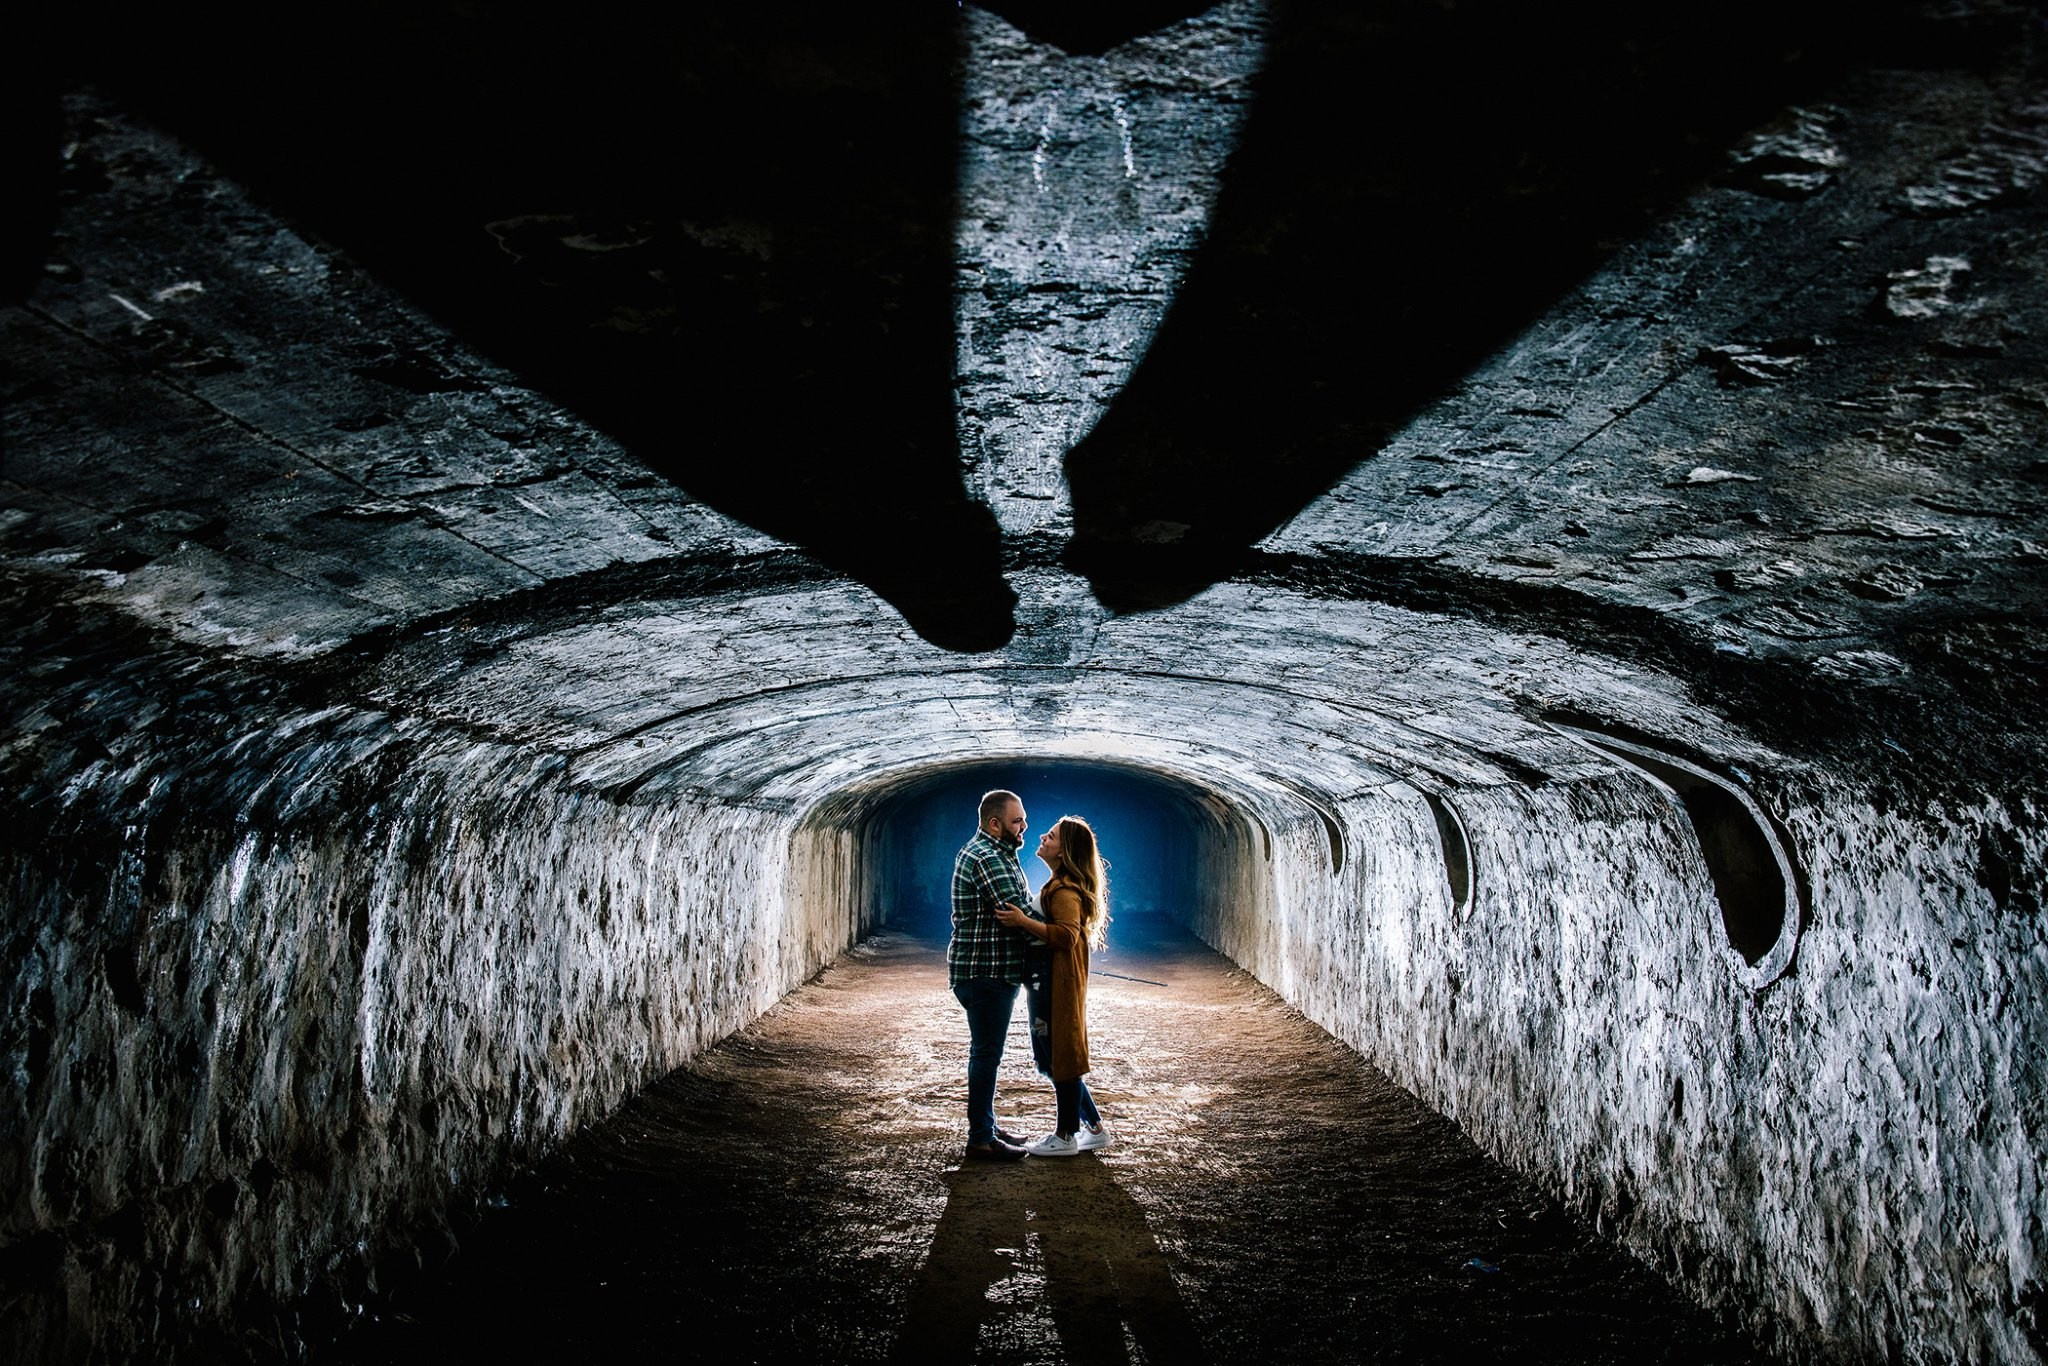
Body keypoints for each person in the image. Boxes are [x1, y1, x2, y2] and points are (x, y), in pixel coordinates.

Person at [995, 815, 1113, 1157]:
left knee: (1058, 1056)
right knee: (1051, 1058)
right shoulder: (1057, 885)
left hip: (1052, 983)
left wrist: (1022, 921)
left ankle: (1065, 1136)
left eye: (1052, 836)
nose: (1043, 837)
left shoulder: (1065, 890)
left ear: (1065, 852)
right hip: (1044, 982)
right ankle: (1094, 1127)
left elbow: (1066, 935)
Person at [948, 788, 1034, 1161]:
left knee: (987, 1052)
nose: (1024, 827)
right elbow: (1017, 910)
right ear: (995, 823)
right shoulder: (986, 857)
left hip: (988, 969)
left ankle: (987, 1124)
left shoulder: (998, 852)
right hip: (986, 970)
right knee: (986, 1053)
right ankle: (981, 1137)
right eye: (1017, 821)